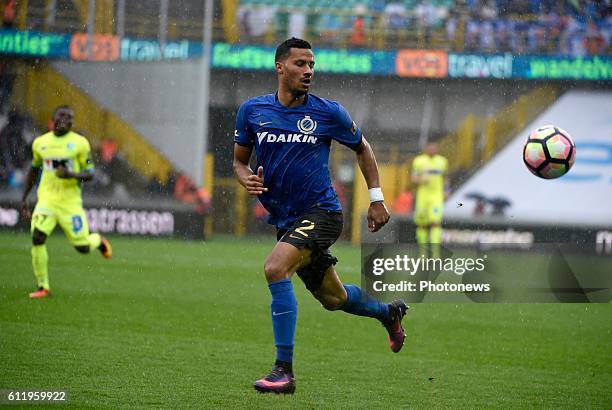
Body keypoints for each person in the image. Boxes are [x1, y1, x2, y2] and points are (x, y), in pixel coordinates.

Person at [233, 38, 408, 395]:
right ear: (280, 67)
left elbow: (363, 148)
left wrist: (377, 199)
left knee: (274, 268)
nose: (308, 71)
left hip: (323, 213)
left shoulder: (328, 113)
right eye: (300, 64)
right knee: (334, 299)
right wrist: (245, 178)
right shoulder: (252, 111)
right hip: (287, 220)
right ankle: (388, 313)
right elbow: (238, 160)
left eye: (311, 64)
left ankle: (284, 371)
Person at [20, 106, 112, 299]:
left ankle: (98, 241)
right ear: (52, 118)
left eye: (70, 118)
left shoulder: (80, 144)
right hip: (47, 200)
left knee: (83, 248)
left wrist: (70, 174)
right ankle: (43, 286)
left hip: (70, 203)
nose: (67, 120)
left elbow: (90, 174)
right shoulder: (40, 143)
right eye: (63, 116)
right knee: (37, 237)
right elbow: (34, 170)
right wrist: (25, 198)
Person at [411, 142, 449, 258]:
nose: (432, 149)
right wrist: (422, 179)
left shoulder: (442, 161)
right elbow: (413, 178)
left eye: (434, 146)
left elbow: (446, 178)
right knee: (422, 225)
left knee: (435, 223)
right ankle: (423, 253)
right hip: (423, 197)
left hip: (436, 197)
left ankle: (435, 254)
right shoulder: (418, 161)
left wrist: (446, 190)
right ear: (426, 148)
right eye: (430, 146)